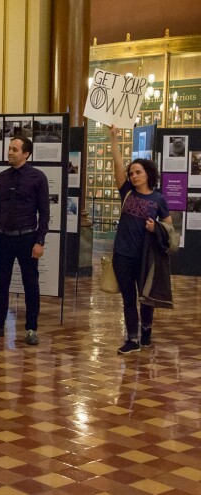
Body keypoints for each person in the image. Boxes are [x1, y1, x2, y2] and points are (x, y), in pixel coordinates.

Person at [0, 135, 49, 345]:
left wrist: (40, 241)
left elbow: (44, 212)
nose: (10, 152)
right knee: (1, 284)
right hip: (3, 238)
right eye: (9, 148)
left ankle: (31, 328)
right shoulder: (1, 177)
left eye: (15, 149)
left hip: (27, 238)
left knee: (31, 284)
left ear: (26, 154)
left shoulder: (38, 177)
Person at [109, 126, 171, 354]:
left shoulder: (158, 199)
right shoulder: (126, 192)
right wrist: (114, 138)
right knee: (128, 298)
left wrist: (156, 228)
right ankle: (132, 339)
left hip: (147, 257)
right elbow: (117, 164)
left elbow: (169, 227)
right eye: (132, 173)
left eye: (138, 172)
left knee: (145, 298)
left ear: (148, 174)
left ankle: (146, 329)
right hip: (123, 255)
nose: (133, 176)